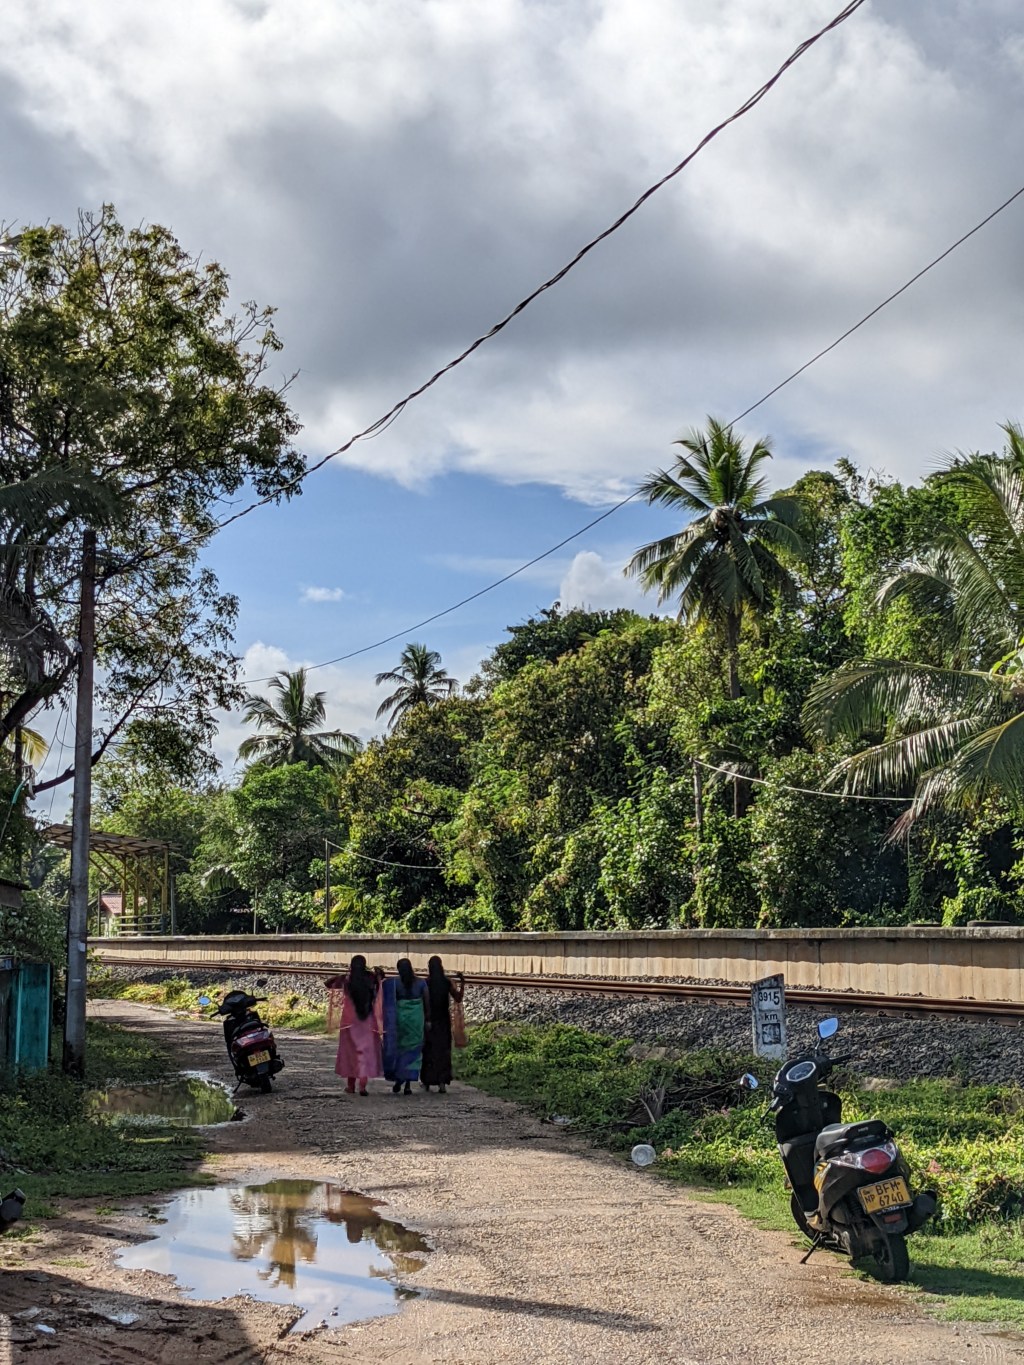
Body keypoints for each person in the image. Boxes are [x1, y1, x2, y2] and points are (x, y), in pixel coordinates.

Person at [325, 955, 384, 1095]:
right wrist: (378, 974)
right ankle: (362, 1086)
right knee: (365, 1054)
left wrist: (341, 975)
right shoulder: (370, 978)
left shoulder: (347, 979)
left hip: (349, 1021)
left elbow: (328, 984)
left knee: (350, 1054)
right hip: (368, 1021)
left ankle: (350, 1086)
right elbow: (380, 985)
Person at [382, 958, 429, 1096]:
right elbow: (427, 1001)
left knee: (400, 1050)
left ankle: (398, 1079)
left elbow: (384, 993)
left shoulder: (394, 983)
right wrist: (428, 1018)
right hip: (416, 1019)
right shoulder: (421, 982)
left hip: (400, 1019)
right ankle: (407, 1084)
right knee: (413, 1050)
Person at [420, 954, 464, 1094]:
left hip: (430, 1020)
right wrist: (462, 982)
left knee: (429, 1051)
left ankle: (427, 1081)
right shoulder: (446, 982)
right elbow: (458, 998)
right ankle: (442, 1082)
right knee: (443, 1051)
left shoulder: (426, 983)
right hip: (444, 1021)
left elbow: (423, 1002)